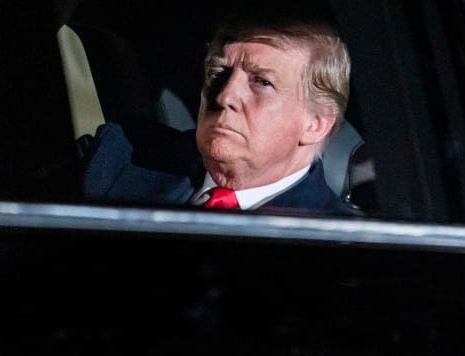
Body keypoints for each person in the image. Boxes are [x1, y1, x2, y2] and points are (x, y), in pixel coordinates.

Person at [80, 11, 359, 215]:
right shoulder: (120, 157)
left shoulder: (343, 243)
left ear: (315, 124)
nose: (225, 96)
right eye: (218, 73)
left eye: (262, 82)